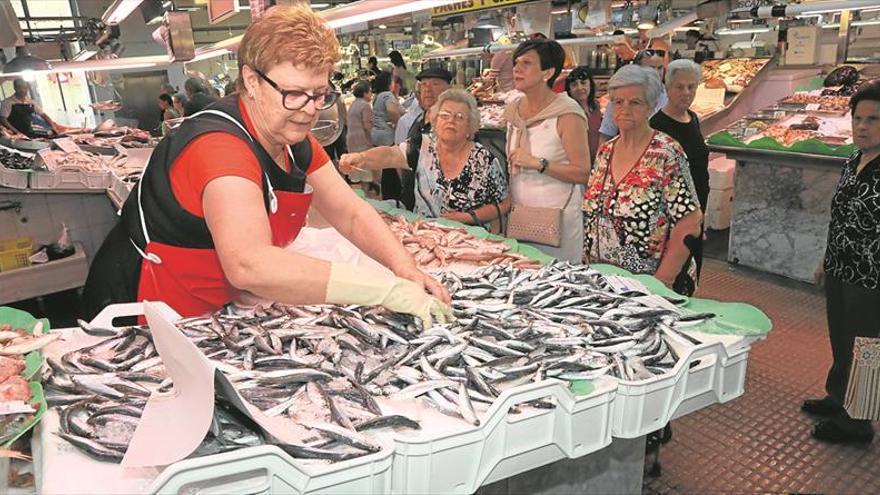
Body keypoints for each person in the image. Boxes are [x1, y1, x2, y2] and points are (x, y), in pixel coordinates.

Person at [83, 5, 450, 328]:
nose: (309, 109)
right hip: (144, 310)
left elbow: (351, 212)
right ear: (251, 81)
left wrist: (403, 268)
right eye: (293, 93)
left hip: (212, 306)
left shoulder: (291, 138)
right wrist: (382, 289)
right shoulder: (219, 147)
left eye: (320, 94)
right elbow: (250, 264)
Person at [582, 65, 702, 294]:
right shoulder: (605, 151)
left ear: (650, 106)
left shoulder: (666, 153)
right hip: (603, 282)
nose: (624, 109)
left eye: (635, 102)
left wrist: (661, 282)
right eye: (617, 102)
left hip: (649, 286)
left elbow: (690, 221)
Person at [805, 81, 880, 444]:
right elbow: (842, 218)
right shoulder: (854, 160)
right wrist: (826, 258)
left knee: (868, 348)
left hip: (872, 278)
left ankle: (858, 421)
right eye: (858, 118)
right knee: (842, 338)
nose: (862, 126)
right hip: (840, 266)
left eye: (874, 119)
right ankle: (839, 398)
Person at [339, 89, 509, 229]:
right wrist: (360, 157)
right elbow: (391, 155)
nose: (451, 121)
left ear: (470, 126)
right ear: (435, 121)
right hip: (424, 234)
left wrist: (466, 217)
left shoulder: (484, 159)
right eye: (445, 115)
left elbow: (503, 204)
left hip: (468, 240)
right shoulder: (422, 145)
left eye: (459, 117)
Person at [504, 39, 590, 263]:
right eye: (516, 62)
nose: (517, 68)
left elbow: (583, 172)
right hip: (522, 218)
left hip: (558, 221)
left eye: (527, 63)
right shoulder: (513, 112)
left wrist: (538, 163)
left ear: (548, 72)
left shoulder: (567, 114)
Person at [650, 59, 709, 279]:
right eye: (679, 86)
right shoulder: (657, 125)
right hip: (671, 216)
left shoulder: (692, 118)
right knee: (673, 272)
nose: (686, 92)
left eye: (691, 87)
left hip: (697, 207)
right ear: (667, 87)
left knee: (693, 269)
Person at [599, 43, 670, 146]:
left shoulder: (670, 96)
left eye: (660, 68)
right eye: (651, 68)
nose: (656, 72)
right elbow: (606, 134)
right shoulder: (619, 98)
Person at [345, 80, 378, 193]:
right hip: (362, 141)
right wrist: (371, 141)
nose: (371, 94)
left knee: (355, 172)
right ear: (364, 93)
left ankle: (358, 197)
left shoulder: (353, 104)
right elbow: (367, 125)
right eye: (370, 92)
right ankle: (367, 198)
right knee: (365, 172)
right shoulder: (365, 106)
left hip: (351, 140)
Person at [565, 66, 603, 163]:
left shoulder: (597, 107)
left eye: (583, 83)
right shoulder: (568, 112)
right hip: (579, 163)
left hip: (599, 160)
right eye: (574, 85)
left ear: (590, 85)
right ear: (569, 90)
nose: (580, 88)